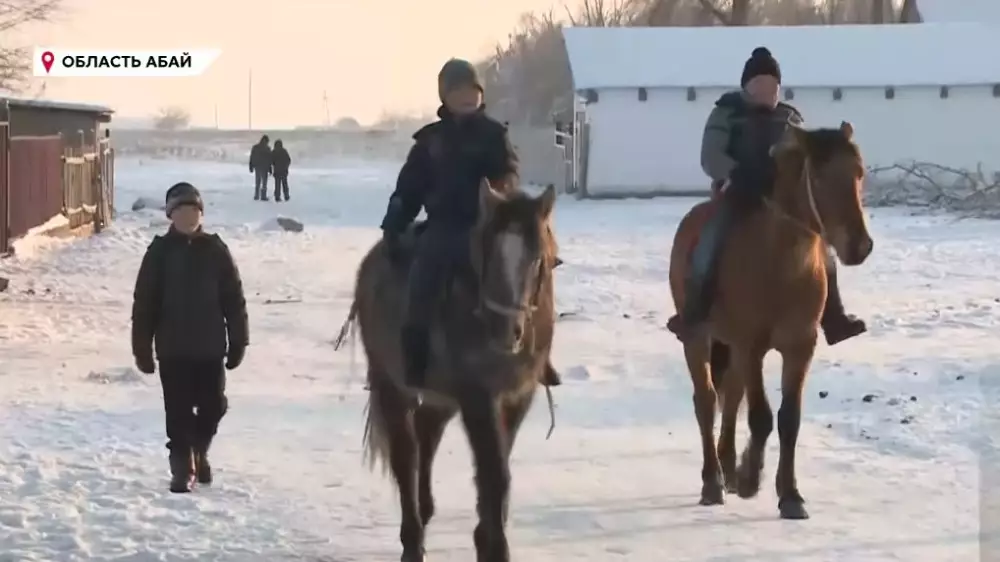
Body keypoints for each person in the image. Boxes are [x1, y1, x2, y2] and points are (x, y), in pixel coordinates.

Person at [379, 58, 562, 390]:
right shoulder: (429, 142)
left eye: (472, 91)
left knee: (531, 268)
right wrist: (394, 221)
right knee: (423, 278)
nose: (467, 97)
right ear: (445, 98)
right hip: (444, 226)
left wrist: (500, 192)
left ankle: (539, 355)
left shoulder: (494, 134)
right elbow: (409, 188)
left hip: (489, 223)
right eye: (458, 91)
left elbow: (509, 170)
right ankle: (416, 360)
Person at [670, 46, 866, 346]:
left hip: (782, 200)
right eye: (760, 84)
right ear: (747, 87)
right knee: (712, 238)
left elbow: (807, 157)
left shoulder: (790, 118)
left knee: (819, 245)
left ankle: (834, 318)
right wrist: (735, 172)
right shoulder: (726, 113)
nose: (767, 90)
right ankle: (695, 312)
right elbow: (711, 155)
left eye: (773, 85)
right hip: (737, 192)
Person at [131, 182, 249, 493]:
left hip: (210, 348)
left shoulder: (216, 250)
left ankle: (199, 449)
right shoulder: (159, 253)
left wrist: (239, 340)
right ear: (171, 215)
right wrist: (141, 347)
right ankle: (182, 469)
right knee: (178, 412)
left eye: (194, 211)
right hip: (173, 349)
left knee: (214, 406)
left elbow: (234, 299)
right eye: (182, 211)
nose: (189, 217)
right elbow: (144, 303)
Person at [249, 135, 272, 201]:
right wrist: (270, 169)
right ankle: (263, 196)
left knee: (258, 181)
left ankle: (256, 195)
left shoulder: (255, 147)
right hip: (264, 167)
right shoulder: (267, 148)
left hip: (257, 166)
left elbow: (252, 157)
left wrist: (251, 166)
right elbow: (269, 159)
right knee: (264, 182)